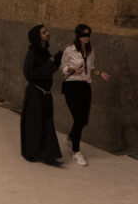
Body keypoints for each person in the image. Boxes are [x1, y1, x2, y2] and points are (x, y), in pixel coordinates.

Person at [60, 24, 110, 166]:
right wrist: (72, 69)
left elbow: (91, 68)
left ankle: (70, 138)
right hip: (71, 86)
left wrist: (100, 73)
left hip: (85, 86)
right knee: (78, 119)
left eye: (88, 35)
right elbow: (62, 66)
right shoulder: (70, 50)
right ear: (78, 35)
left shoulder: (90, 50)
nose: (86, 37)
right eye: (83, 35)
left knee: (84, 119)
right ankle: (76, 151)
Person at [21, 24, 63, 163]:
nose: (47, 33)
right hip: (35, 93)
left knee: (47, 123)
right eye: (44, 32)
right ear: (37, 37)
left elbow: (48, 71)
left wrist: (56, 60)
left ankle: (48, 155)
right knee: (34, 124)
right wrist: (50, 64)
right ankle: (31, 152)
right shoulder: (32, 53)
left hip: (45, 93)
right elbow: (30, 74)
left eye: (47, 31)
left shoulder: (45, 51)